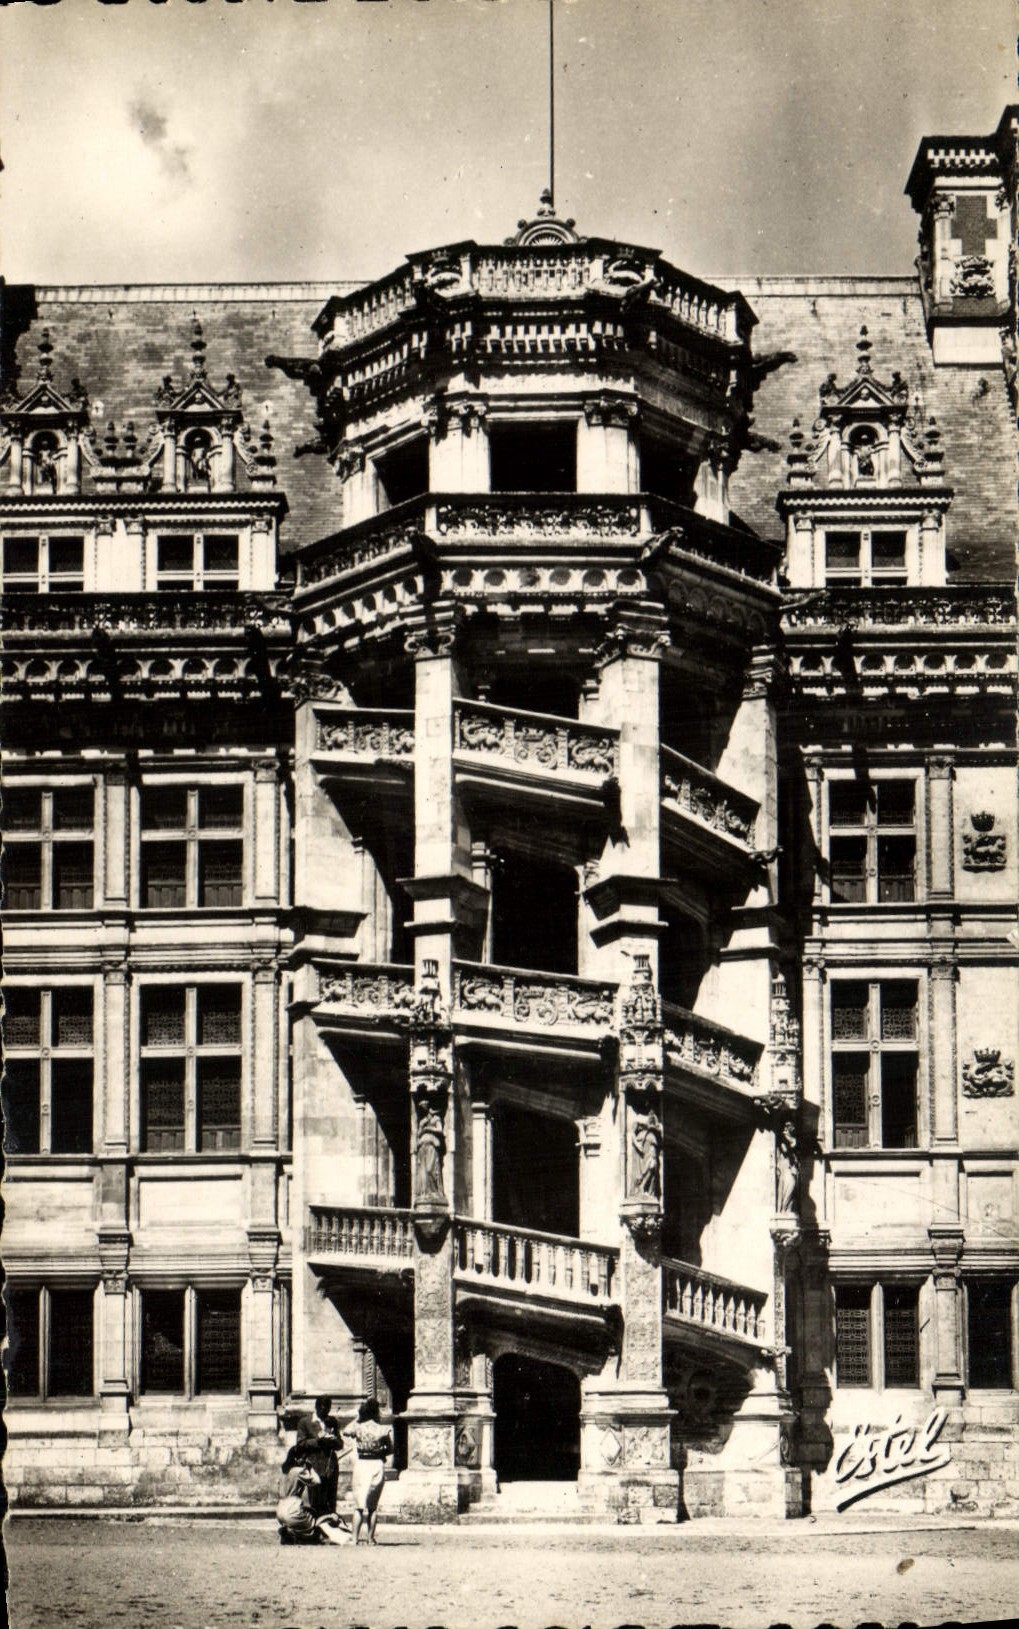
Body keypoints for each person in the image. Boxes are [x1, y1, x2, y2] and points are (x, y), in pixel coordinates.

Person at [341, 1397, 393, 1546]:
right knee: (372, 1507)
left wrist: (358, 1417)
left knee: (358, 1505)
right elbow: (390, 1449)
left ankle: (354, 1538)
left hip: (362, 1464)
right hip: (377, 1464)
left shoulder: (358, 1427)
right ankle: (371, 1539)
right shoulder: (383, 1429)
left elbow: (346, 1431)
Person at [275, 1446, 347, 1545]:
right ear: (297, 1458)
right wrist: (310, 1467)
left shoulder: (283, 1470)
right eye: (303, 1458)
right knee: (314, 1525)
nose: (305, 1460)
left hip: (280, 1509)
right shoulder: (299, 1471)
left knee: (305, 1516)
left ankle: (289, 1531)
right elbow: (317, 1481)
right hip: (292, 1508)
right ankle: (295, 1534)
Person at [295, 1395, 343, 1520]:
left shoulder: (332, 1421)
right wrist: (318, 1441)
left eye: (327, 1409)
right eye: (322, 1409)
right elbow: (300, 1444)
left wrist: (334, 1440)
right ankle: (316, 1529)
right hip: (314, 1466)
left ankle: (328, 1529)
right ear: (316, 1407)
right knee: (315, 1500)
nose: (325, 1412)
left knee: (330, 1501)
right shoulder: (305, 1422)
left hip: (330, 1467)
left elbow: (340, 1444)